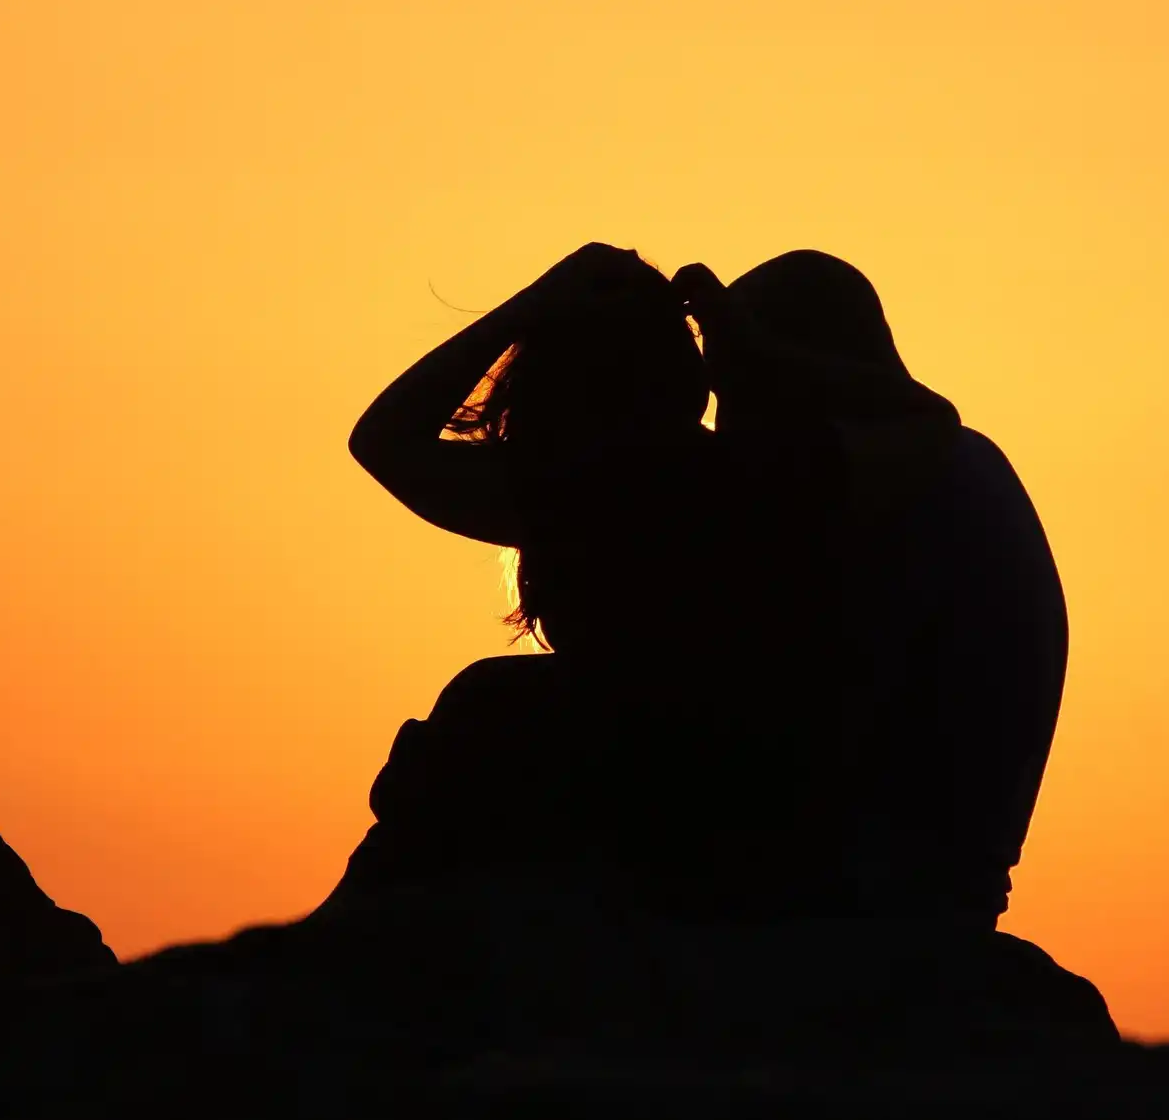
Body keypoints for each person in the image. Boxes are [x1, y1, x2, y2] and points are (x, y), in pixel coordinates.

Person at [316, 243, 869, 920]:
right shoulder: (761, 474)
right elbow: (920, 420)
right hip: (751, 805)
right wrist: (741, 347)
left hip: (677, 813)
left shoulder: (591, 491)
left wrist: (530, 306)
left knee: (482, 710)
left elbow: (384, 440)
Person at [677, 250, 1069, 932]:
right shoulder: (962, 459)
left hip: (869, 898)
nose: (726, 418)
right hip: (921, 884)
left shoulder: (886, 479)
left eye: (738, 385)